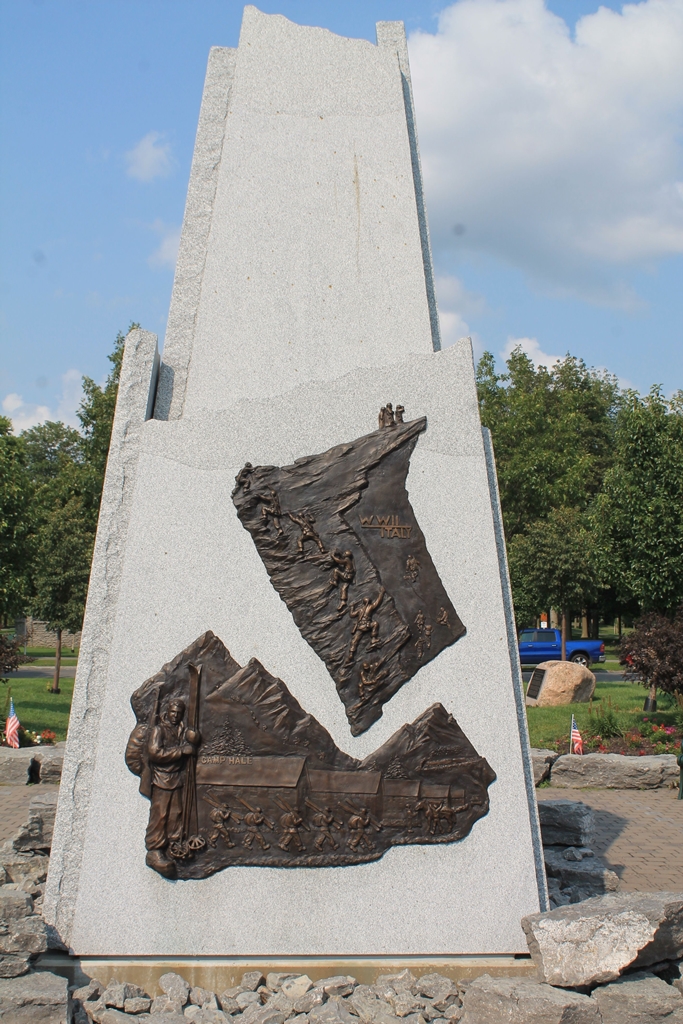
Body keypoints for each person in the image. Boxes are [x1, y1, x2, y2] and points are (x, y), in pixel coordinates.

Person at [145, 697, 199, 877]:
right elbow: (154, 753)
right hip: (162, 778)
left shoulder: (181, 728)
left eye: (179, 713)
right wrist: (180, 751)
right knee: (160, 815)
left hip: (178, 778)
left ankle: (175, 844)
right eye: (173, 712)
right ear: (167, 712)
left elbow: (191, 740)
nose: (175, 716)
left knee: (176, 813)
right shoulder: (159, 730)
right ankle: (154, 851)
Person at [346, 588, 385, 662]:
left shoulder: (360, 609)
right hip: (367, 626)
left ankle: (351, 654)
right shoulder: (370, 607)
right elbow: (377, 602)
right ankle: (373, 639)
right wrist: (381, 593)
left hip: (360, 627)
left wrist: (352, 608)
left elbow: (352, 614)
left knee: (355, 640)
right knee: (375, 624)